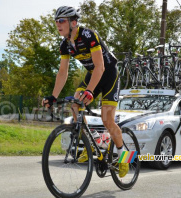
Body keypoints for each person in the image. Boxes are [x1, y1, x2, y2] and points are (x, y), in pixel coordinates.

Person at [42, 6, 128, 178]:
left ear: (73, 22)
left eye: (62, 21)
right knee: (75, 106)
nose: (58, 24)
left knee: (107, 120)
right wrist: (53, 96)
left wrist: (89, 91)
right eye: (56, 21)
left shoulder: (88, 35)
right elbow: (62, 72)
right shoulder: (65, 45)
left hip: (108, 73)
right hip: (93, 75)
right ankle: (91, 143)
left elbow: (100, 66)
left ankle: (125, 156)